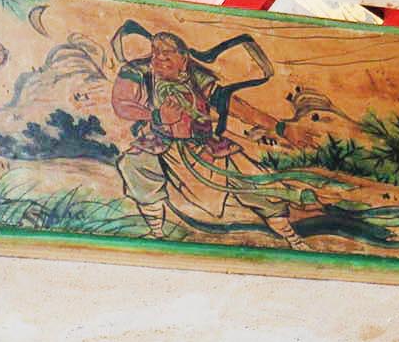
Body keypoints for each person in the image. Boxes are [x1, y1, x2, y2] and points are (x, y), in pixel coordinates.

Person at [110, 27, 311, 248]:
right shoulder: (139, 72)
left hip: (204, 146)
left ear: (184, 59)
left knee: (256, 183)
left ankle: (294, 240)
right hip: (160, 142)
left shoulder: (198, 79)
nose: (159, 58)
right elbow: (122, 104)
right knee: (134, 164)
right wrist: (158, 116)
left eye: (167, 53)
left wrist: (280, 128)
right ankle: (156, 233)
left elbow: (237, 108)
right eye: (155, 52)